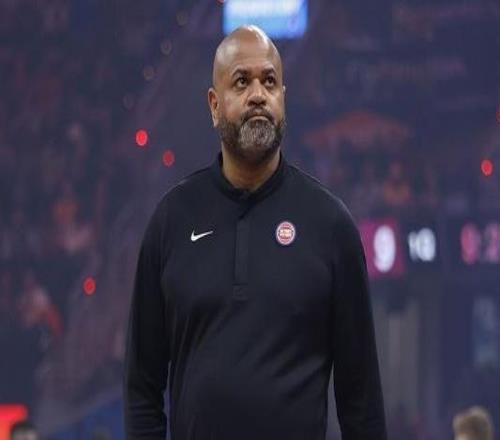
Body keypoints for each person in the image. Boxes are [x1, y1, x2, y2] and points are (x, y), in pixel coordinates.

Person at [124, 25, 386, 439]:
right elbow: (142, 387)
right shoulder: (171, 221)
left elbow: (362, 400)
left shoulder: (330, 225)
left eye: (270, 81)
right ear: (214, 105)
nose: (258, 94)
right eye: (241, 82)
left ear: (284, 97)